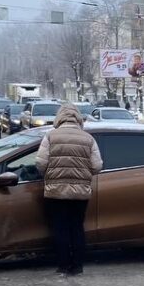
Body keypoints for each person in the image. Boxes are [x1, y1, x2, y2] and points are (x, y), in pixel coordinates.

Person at [35, 103, 103, 276]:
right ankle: (77, 266)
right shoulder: (88, 138)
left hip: (55, 191)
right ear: (78, 118)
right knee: (77, 227)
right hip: (80, 192)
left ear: (59, 118)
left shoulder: (50, 136)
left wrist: (50, 174)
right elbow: (97, 166)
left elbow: (41, 163)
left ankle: (63, 265)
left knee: (60, 227)